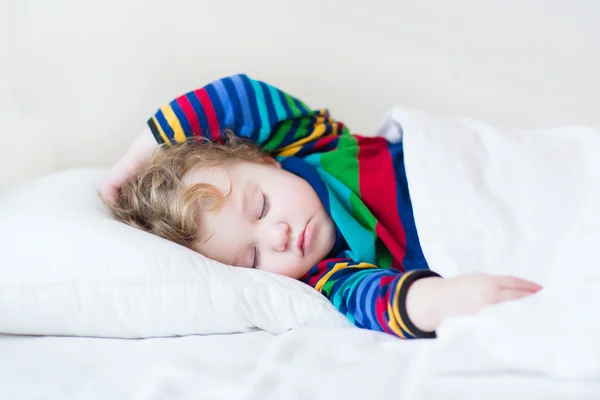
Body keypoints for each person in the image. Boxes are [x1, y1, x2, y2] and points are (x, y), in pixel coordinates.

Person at [100, 74, 542, 339]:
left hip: (491, 173)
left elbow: (236, 95)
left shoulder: (314, 142)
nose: (277, 235)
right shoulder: (327, 273)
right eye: (252, 258)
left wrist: (137, 155)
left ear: (263, 157)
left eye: (261, 207)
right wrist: (435, 298)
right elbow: (372, 300)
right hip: (495, 233)